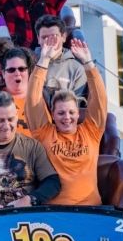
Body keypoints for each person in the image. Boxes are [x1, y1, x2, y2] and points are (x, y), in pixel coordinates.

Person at [24, 37, 106, 206]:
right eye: (61, 113)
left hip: (90, 209)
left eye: (71, 112)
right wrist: (44, 60)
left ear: (78, 114)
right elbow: (32, 99)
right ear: (52, 115)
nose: (66, 117)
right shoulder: (44, 133)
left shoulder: (91, 132)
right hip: (54, 212)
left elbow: (99, 99)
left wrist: (88, 63)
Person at [34, 14, 87, 95]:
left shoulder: (77, 69)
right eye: (44, 37)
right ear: (38, 39)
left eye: (54, 37)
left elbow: (75, 104)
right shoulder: (26, 64)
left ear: (64, 37)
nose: (50, 42)